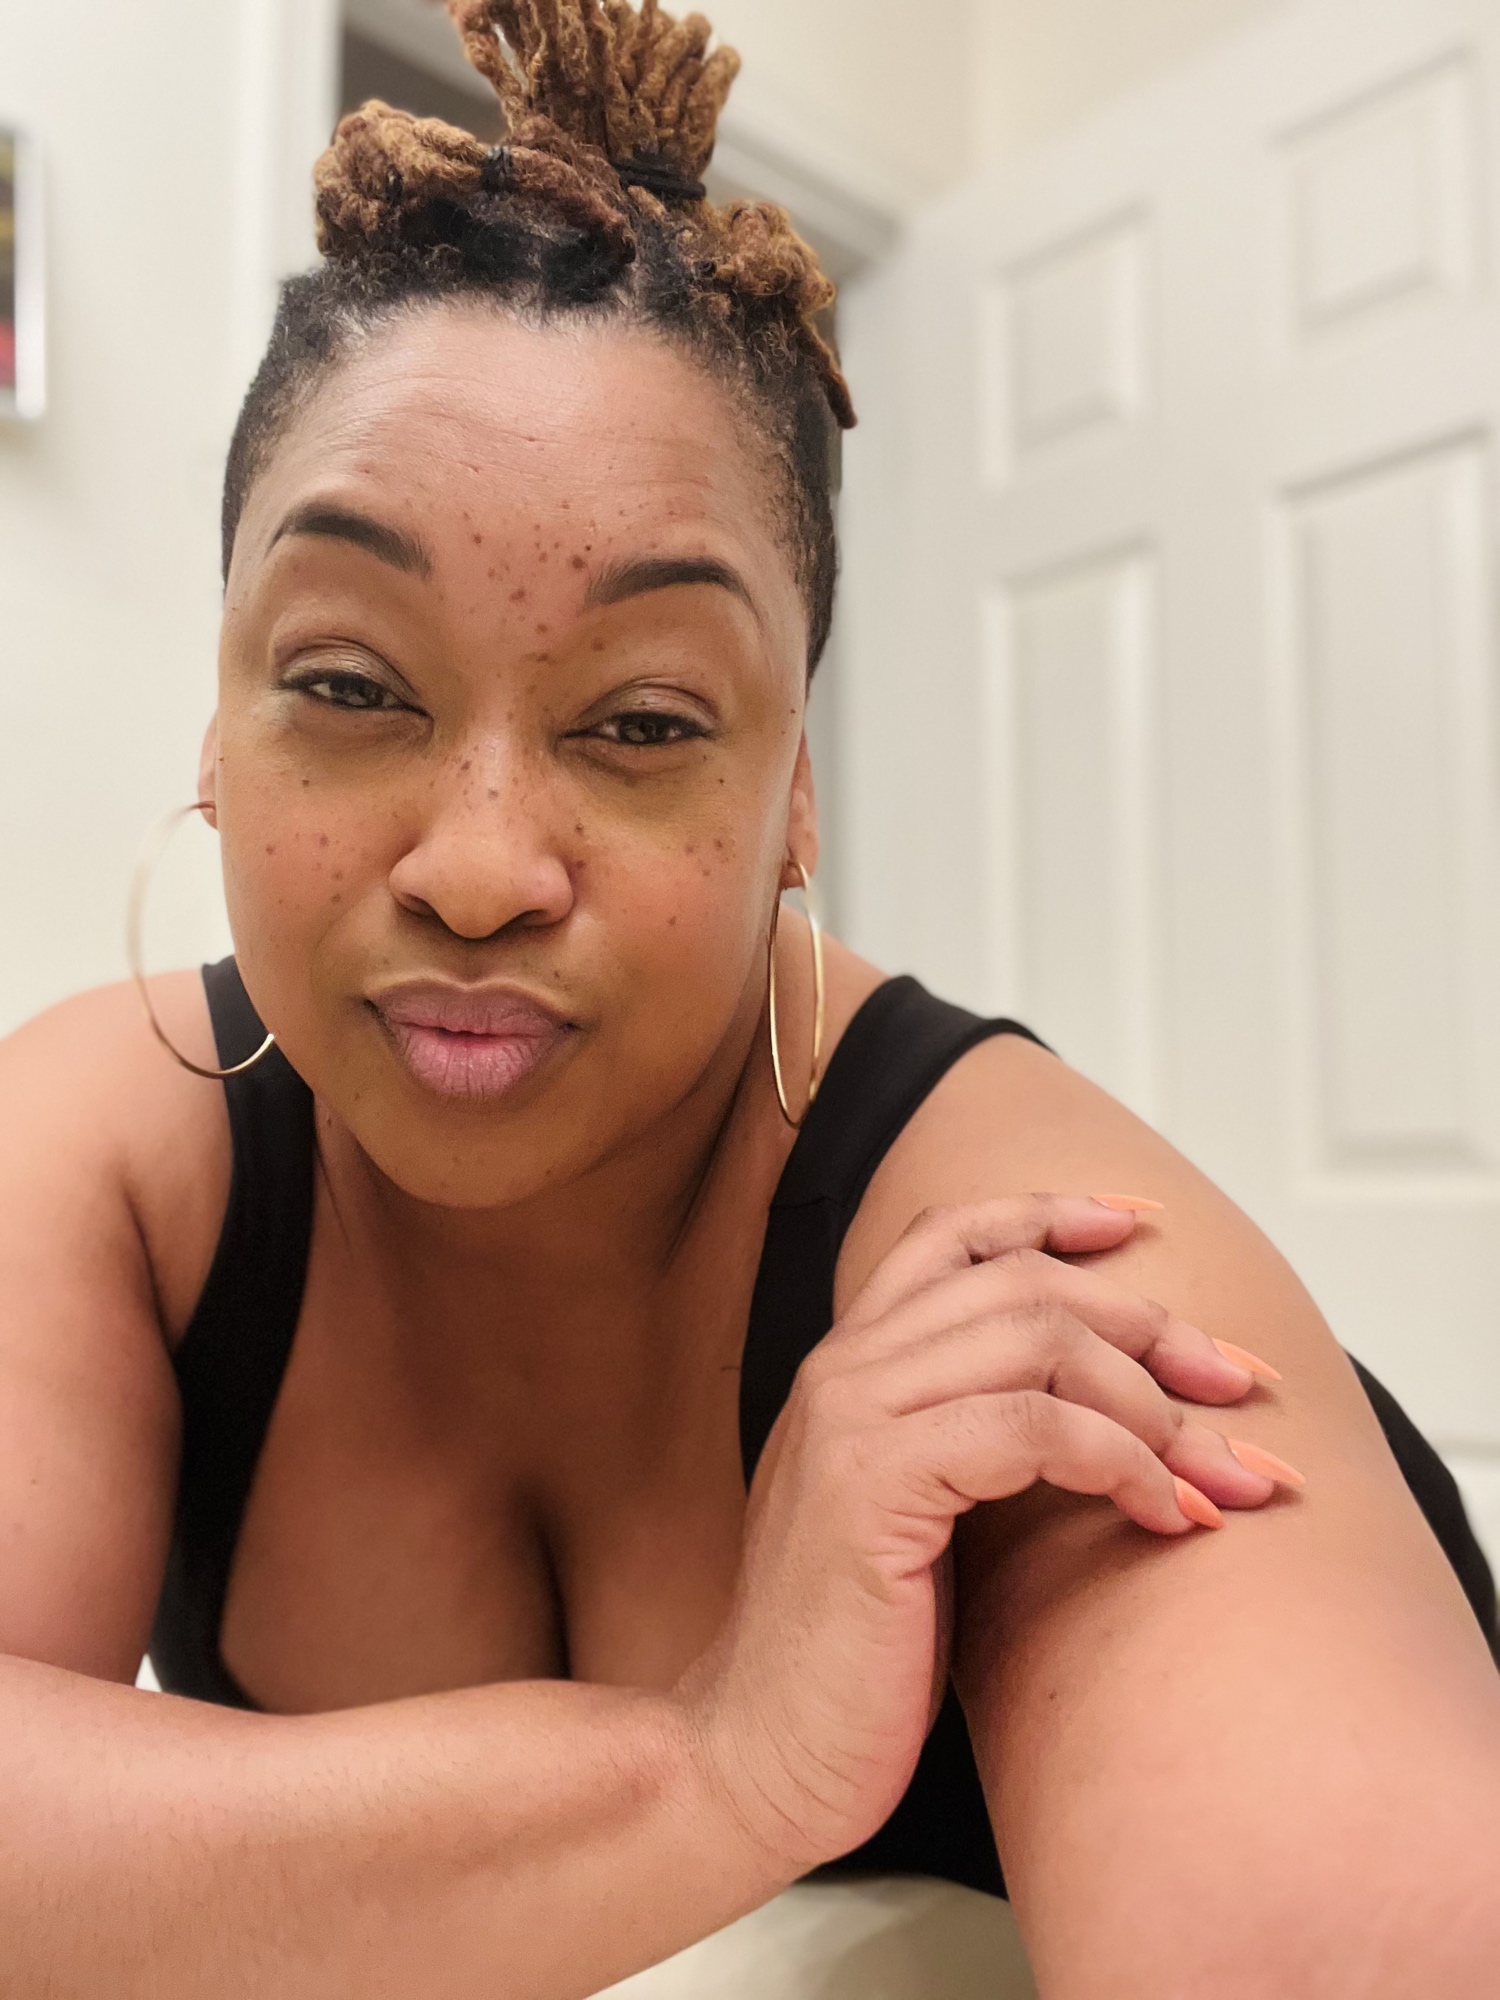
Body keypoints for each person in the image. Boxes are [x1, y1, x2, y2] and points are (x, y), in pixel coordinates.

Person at [1, 2, 1497, 1992]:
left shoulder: (1028, 1276)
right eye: (350, 685)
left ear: (796, 796)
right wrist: (719, 1766)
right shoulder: (118, 1154)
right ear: (219, 732)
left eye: (641, 721)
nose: (477, 867)